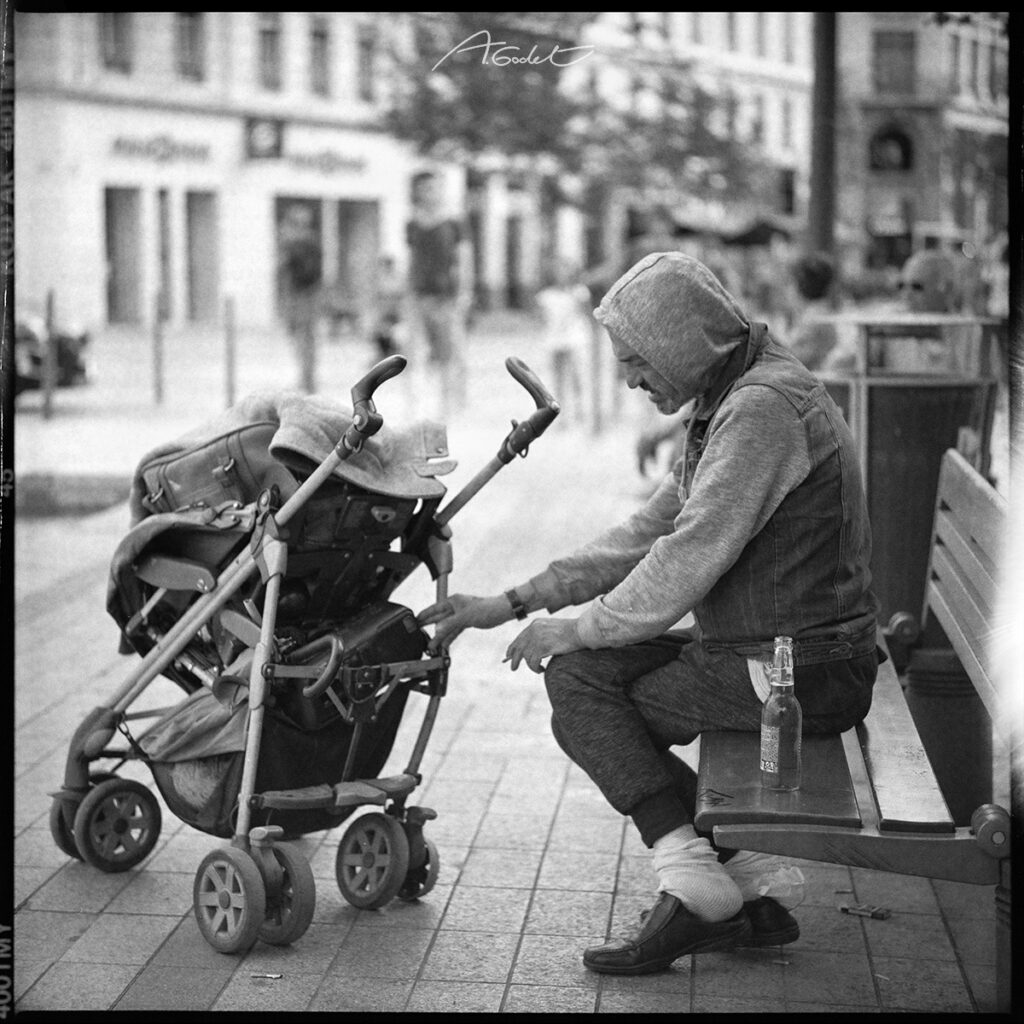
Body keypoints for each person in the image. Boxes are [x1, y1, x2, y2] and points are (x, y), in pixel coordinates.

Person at [418, 252, 881, 975]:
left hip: (800, 671)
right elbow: (647, 532)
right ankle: (743, 877)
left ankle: (696, 885)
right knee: (585, 690)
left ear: (683, 345)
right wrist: (513, 602)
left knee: (584, 697)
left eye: (637, 361)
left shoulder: (761, 410)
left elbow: (687, 556)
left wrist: (577, 628)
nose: (630, 381)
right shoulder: (732, 396)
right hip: (768, 651)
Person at [406, 171, 472, 420]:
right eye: (425, 188)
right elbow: (412, 259)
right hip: (420, 295)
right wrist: (408, 292)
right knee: (418, 352)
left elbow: (464, 259)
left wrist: (465, 291)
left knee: (449, 351)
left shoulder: (454, 222)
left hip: (447, 297)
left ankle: (451, 403)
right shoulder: (413, 223)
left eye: (434, 187)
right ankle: (419, 405)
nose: (430, 193)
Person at [534, 260, 591, 424]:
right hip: (555, 338)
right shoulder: (545, 296)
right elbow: (540, 319)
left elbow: (587, 314)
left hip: (574, 337)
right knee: (558, 377)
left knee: (576, 375)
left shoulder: (580, 292)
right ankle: (560, 411)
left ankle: (579, 408)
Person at [277, 203, 323, 394]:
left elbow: (304, 273)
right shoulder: (301, 243)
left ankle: (307, 380)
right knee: (301, 339)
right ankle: (305, 379)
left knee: (304, 339)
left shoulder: (303, 244)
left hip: (303, 295)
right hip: (299, 295)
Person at [371, 254, 405, 362]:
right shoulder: (380, 279)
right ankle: (382, 355)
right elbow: (377, 297)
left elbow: (399, 296)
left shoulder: (397, 279)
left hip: (394, 313)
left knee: (394, 333)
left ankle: (393, 355)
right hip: (383, 313)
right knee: (380, 332)